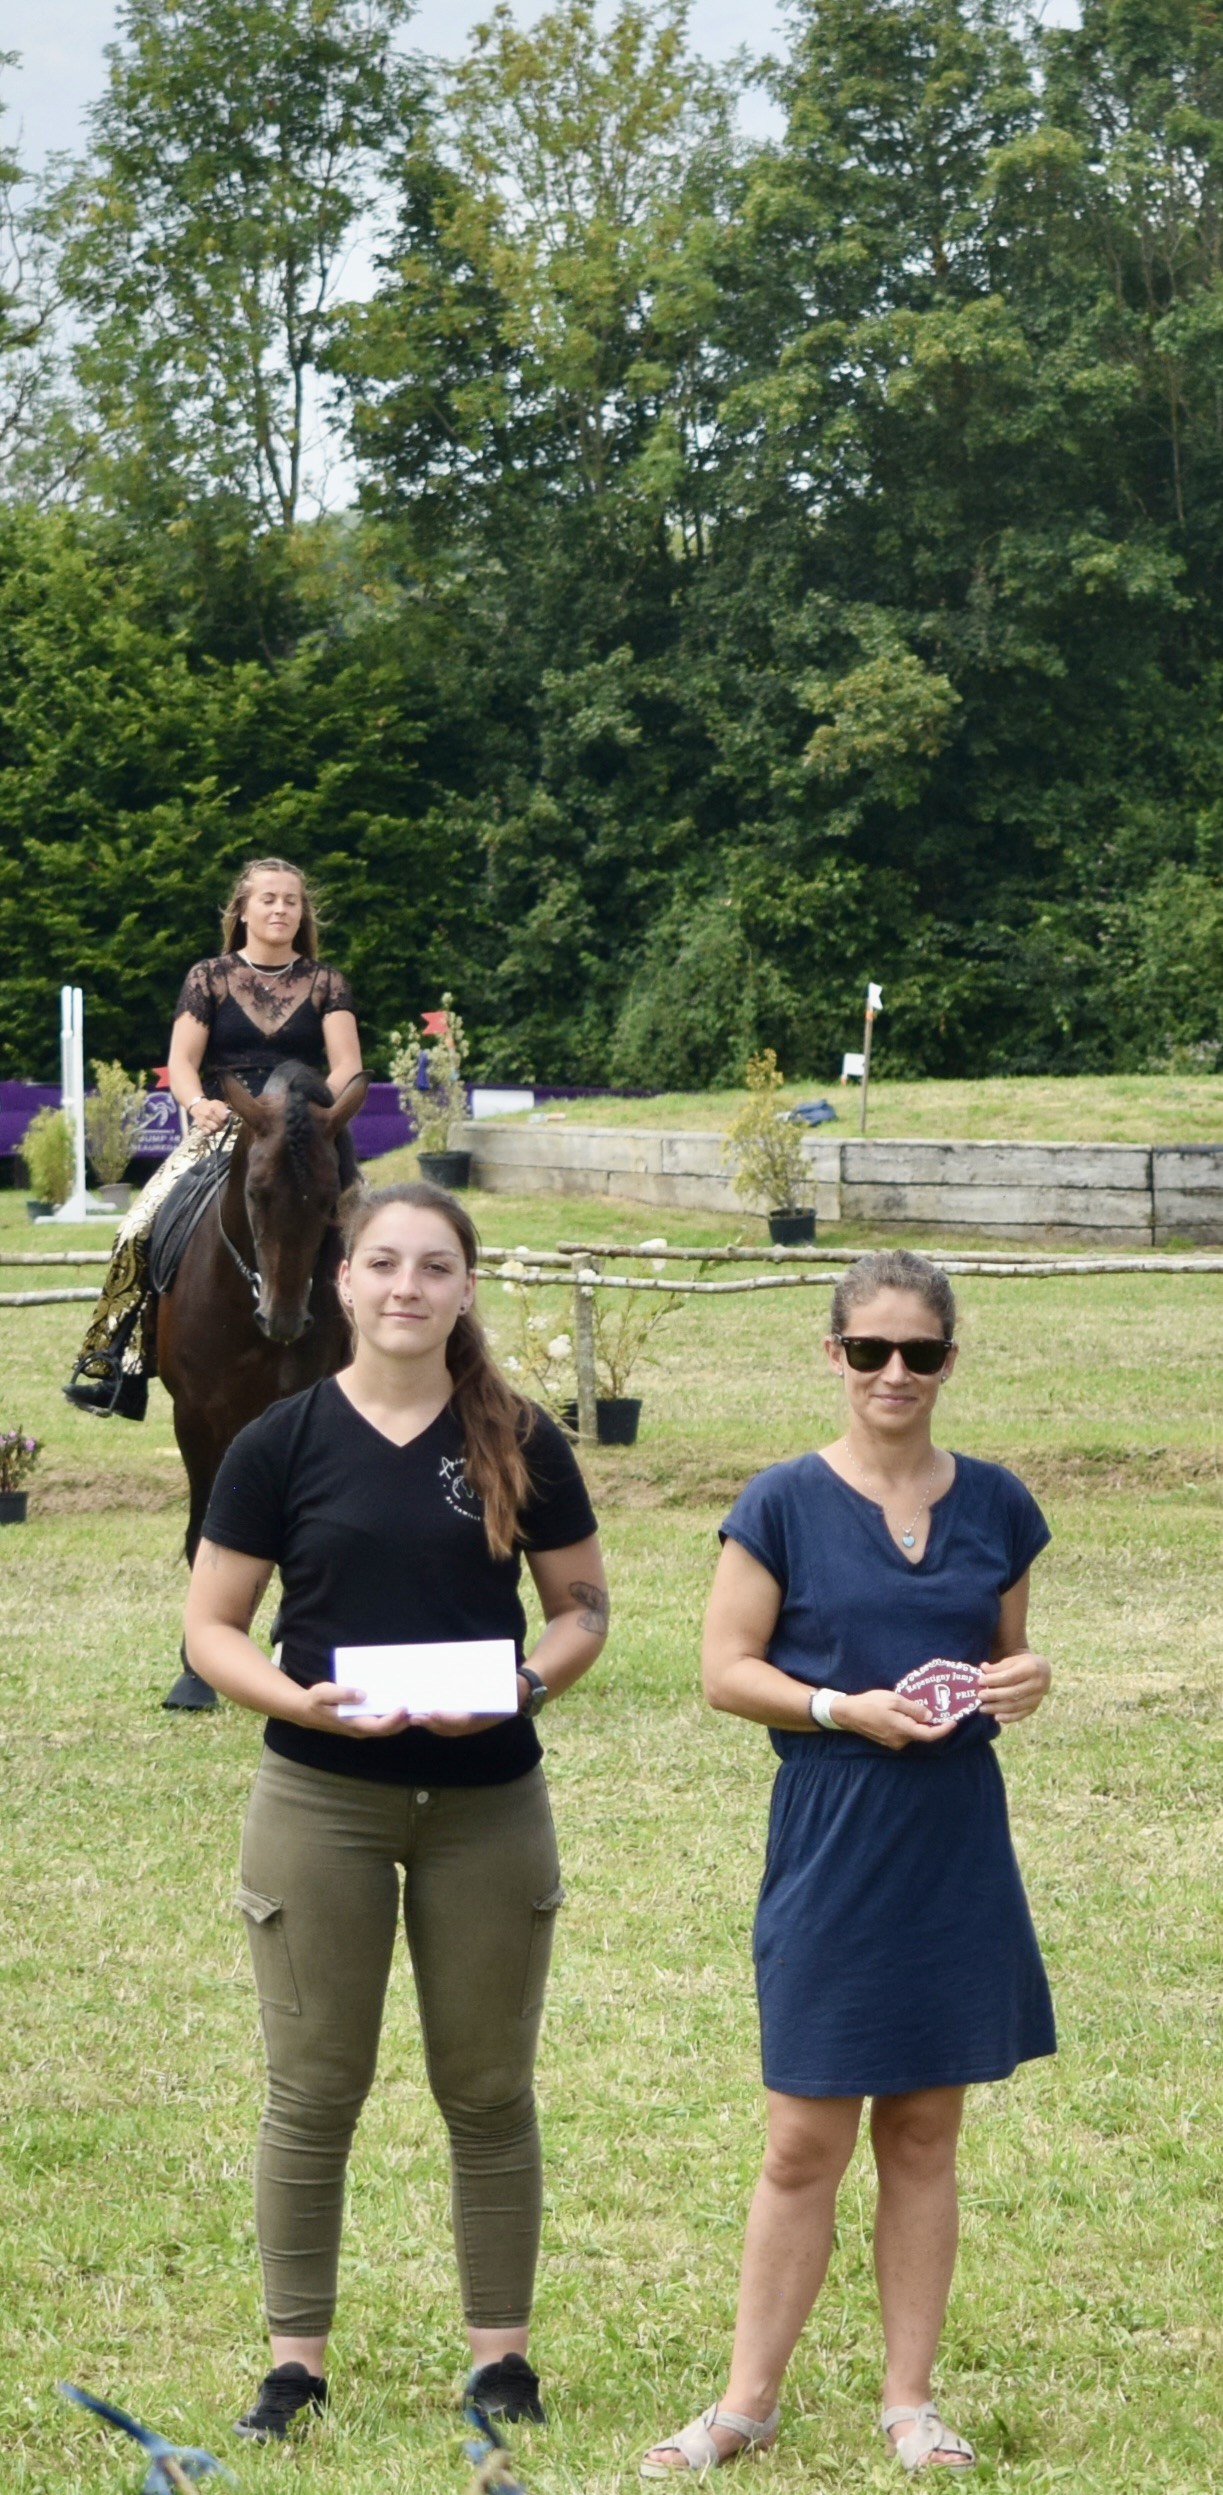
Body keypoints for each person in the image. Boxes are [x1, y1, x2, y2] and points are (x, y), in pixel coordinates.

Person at [176, 1181, 611, 2441]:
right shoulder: (280, 1440)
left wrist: (525, 1684)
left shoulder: (521, 1435)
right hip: (321, 1799)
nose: (407, 1286)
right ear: (343, 1281)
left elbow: (583, 1609)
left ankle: (501, 2361)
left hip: (489, 1801)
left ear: (466, 1287)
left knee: (489, 2086)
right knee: (314, 2087)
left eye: (433, 1265)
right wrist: (302, 1703)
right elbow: (212, 1628)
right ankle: (294, 2366)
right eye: (382, 1262)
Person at [644, 1251, 1055, 2477]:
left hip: (954, 1841)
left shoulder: (1000, 1504)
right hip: (833, 1832)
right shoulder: (778, 1502)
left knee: (925, 2133)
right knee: (801, 2139)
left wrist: (1027, 1680)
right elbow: (726, 1671)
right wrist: (839, 1708)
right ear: (832, 1353)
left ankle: (909, 2402)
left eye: (919, 1352)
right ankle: (744, 2402)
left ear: (949, 1360)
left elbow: (1003, 1658)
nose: (894, 1371)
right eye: (870, 1349)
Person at [68, 857, 366, 1415]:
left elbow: (347, 1065)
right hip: (227, 1125)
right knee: (136, 1227)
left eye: (291, 900)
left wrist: (311, 1114)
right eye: (268, 898)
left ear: (303, 913)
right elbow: (182, 1061)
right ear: (243, 910)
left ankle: (398, 1358)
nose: (281, 908)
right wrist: (196, 1103)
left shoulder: (327, 981)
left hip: (306, 1131)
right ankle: (114, 1362)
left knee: (376, 1230)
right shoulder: (208, 976)